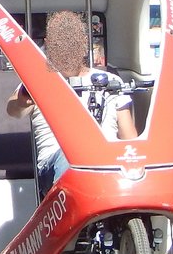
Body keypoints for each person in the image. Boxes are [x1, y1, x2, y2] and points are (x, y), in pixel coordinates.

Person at [7, 10, 138, 193]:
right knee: (71, 157)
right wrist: (23, 100)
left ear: (83, 45)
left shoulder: (110, 81)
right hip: (58, 164)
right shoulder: (36, 80)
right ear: (49, 45)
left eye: (71, 43)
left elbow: (129, 137)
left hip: (109, 161)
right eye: (60, 44)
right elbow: (14, 110)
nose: (66, 49)